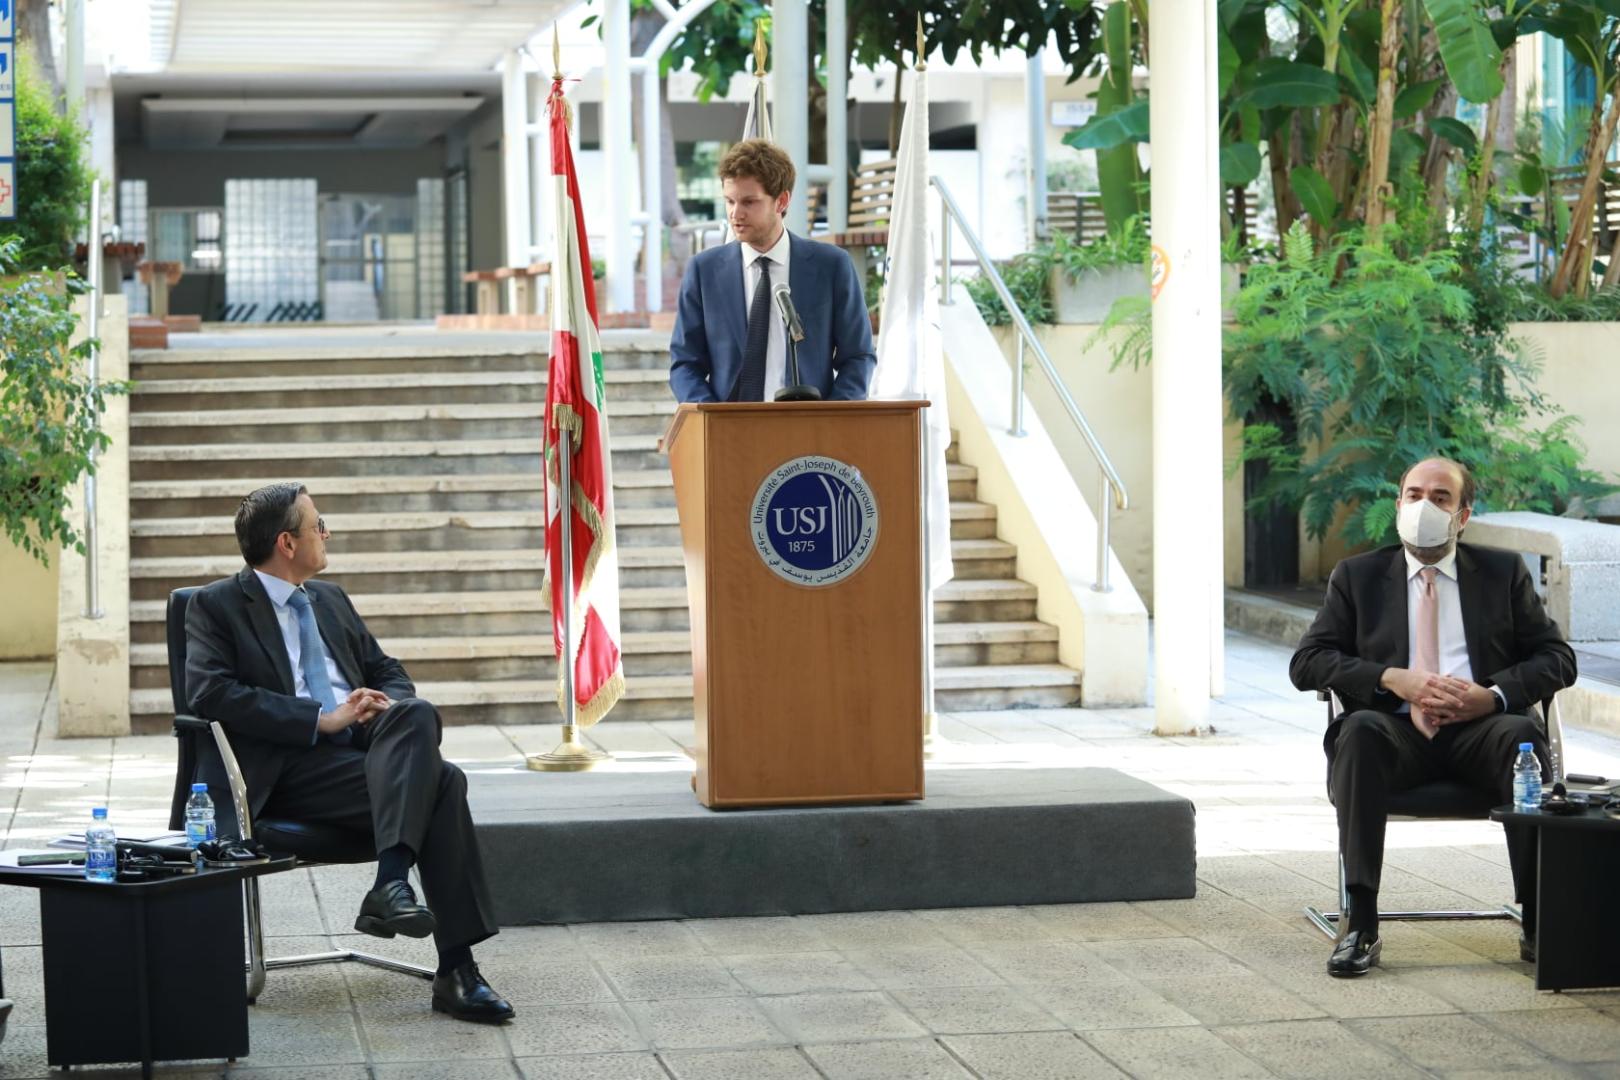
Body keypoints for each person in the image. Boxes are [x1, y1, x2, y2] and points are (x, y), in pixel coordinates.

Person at [181, 483, 513, 1023]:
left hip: (366, 755)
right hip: (286, 771)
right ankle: (455, 967)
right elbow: (210, 693)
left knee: (415, 712)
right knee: (444, 783)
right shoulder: (216, 605)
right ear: (288, 542)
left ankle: (391, 886)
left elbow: (387, 669)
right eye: (318, 525)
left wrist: (383, 703)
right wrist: (320, 718)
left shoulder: (330, 599)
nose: (327, 533)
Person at [1290, 457, 1576, 977]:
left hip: (1482, 734)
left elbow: (1558, 659)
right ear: (1398, 505)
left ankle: (1539, 920)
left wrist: (1492, 696)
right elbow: (1307, 662)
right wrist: (1391, 678)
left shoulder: (1501, 573)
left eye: (1441, 497)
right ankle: (1361, 922)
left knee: (1520, 734)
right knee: (1358, 729)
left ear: (1462, 516)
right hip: (1394, 734)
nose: (1425, 506)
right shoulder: (1357, 576)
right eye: (1414, 495)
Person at [669, 138, 875, 403]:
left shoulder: (832, 266)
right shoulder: (703, 271)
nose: (735, 214)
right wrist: (711, 417)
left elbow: (858, 357)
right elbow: (684, 364)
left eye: (749, 202)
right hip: (729, 425)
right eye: (730, 201)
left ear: (781, 201)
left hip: (808, 424)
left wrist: (828, 418)